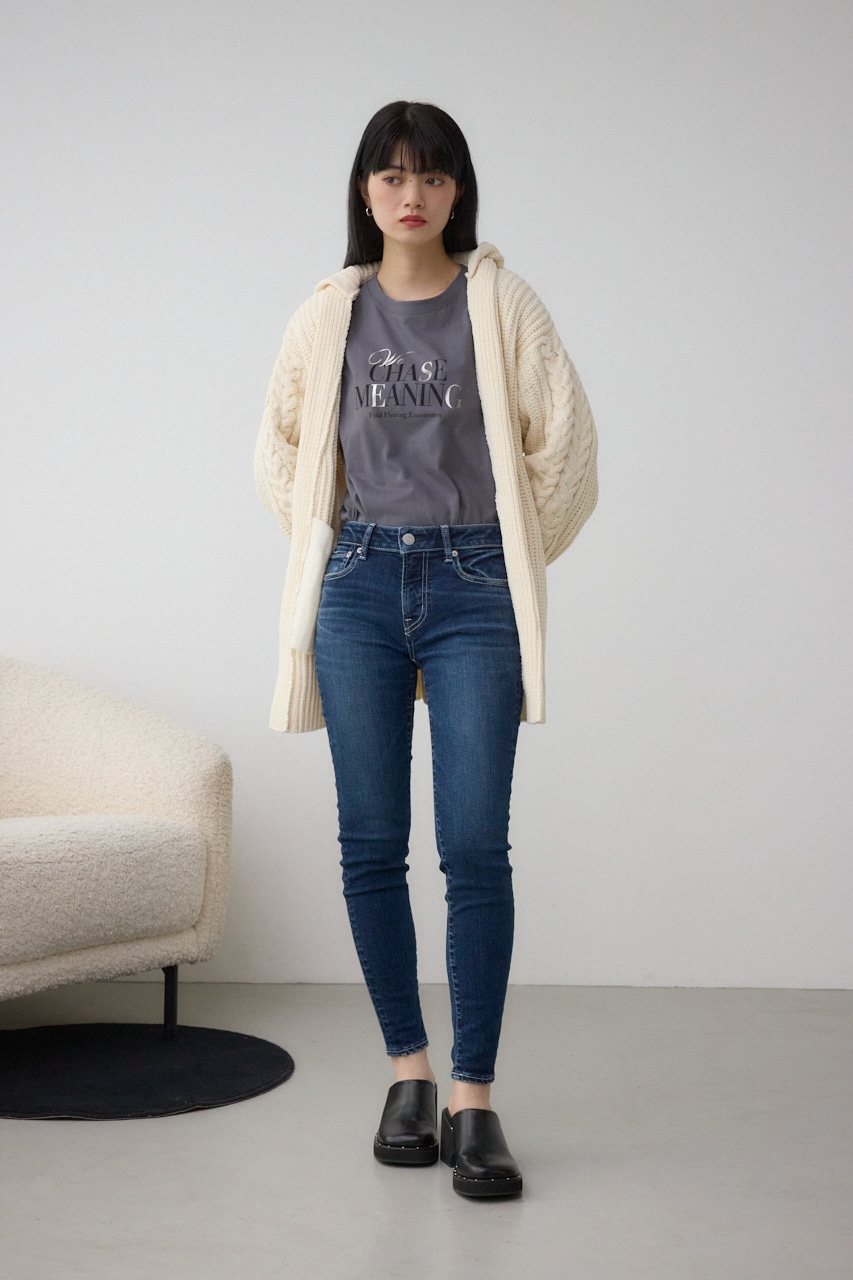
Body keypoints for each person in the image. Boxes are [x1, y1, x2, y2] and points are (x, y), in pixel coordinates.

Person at [255, 101, 597, 1198]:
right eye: (393, 174)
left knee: (474, 847)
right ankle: (408, 1071)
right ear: (365, 190)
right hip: (357, 586)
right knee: (370, 843)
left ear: (458, 191)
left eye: (434, 175)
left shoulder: (499, 300)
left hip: (471, 585)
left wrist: (507, 553)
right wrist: (327, 543)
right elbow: (280, 448)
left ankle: (472, 1095)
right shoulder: (329, 312)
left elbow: (565, 449)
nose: (413, 194)